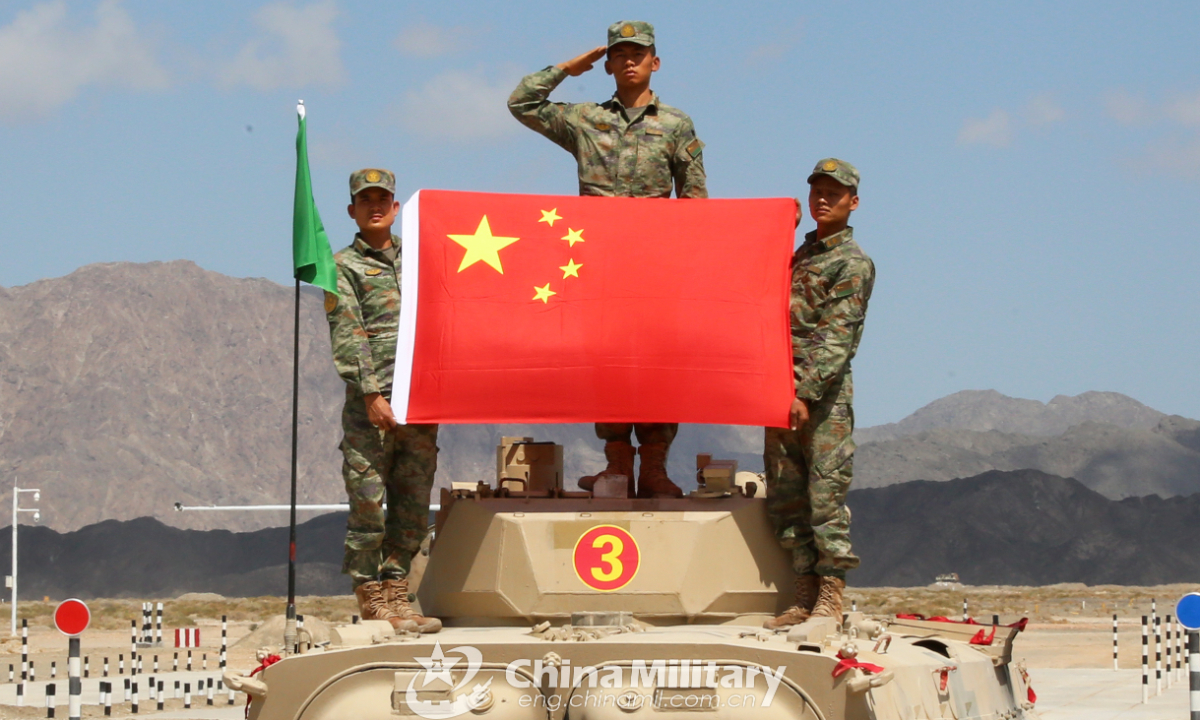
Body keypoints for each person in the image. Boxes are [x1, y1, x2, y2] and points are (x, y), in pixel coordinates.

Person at [507, 20, 707, 498]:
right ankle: (617, 464)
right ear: (608, 65)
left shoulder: (676, 124)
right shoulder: (585, 119)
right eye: (619, 54)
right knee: (608, 364)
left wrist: (692, 266)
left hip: (656, 271)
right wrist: (565, 69)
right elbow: (522, 104)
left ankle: (655, 467)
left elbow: (695, 201)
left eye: (638, 53)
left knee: (657, 365)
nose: (629, 60)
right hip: (597, 269)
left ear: (654, 62)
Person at [324, 168, 441, 633]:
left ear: (396, 208)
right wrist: (371, 393)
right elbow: (349, 333)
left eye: (383, 199)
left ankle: (398, 590)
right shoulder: (343, 266)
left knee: (412, 501)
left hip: (421, 401)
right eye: (364, 199)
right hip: (372, 406)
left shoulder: (420, 262)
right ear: (352, 210)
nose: (375, 206)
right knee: (369, 500)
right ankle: (370, 591)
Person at [763, 159, 875, 629]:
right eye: (817, 191)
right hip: (777, 393)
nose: (823, 199)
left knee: (824, 498)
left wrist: (805, 394)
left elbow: (837, 338)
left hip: (821, 402)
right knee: (786, 498)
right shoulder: (793, 257)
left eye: (834, 192)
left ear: (854, 201)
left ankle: (830, 596)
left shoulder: (853, 264)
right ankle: (802, 593)